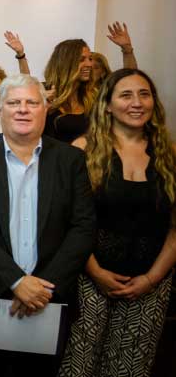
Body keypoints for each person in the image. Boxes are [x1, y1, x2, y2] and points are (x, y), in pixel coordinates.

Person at [0, 74, 95, 376]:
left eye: (32, 102)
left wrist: (42, 290)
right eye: (14, 102)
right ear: (0, 109)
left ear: (46, 109)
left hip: (49, 303)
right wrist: (17, 281)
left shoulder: (71, 161)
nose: (23, 109)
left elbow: (83, 227)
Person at [59, 69, 176, 377]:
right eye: (126, 95)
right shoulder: (82, 151)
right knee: (79, 366)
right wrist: (95, 272)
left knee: (129, 369)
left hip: (151, 283)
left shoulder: (169, 153)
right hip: (89, 280)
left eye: (144, 94)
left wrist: (151, 279)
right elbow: (66, 222)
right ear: (107, 105)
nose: (137, 103)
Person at [42, 39, 96, 143]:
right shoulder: (45, 93)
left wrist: (127, 51)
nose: (89, 64)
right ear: (66, 62)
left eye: (90, 59)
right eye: (82, 59)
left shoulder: (93, 95)